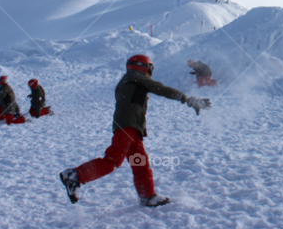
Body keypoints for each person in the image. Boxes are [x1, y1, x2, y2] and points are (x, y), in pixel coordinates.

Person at [59, 54, 212, 207]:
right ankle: (75, 175)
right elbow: (161, 89)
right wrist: (189, 99)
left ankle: (147, 196)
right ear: (142, 66)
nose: (149, 73)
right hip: (128, 127)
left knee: (140, 163)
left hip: (130, 128)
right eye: (149, 69)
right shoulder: (136, 76)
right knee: (112, 161)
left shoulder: (126, 80)